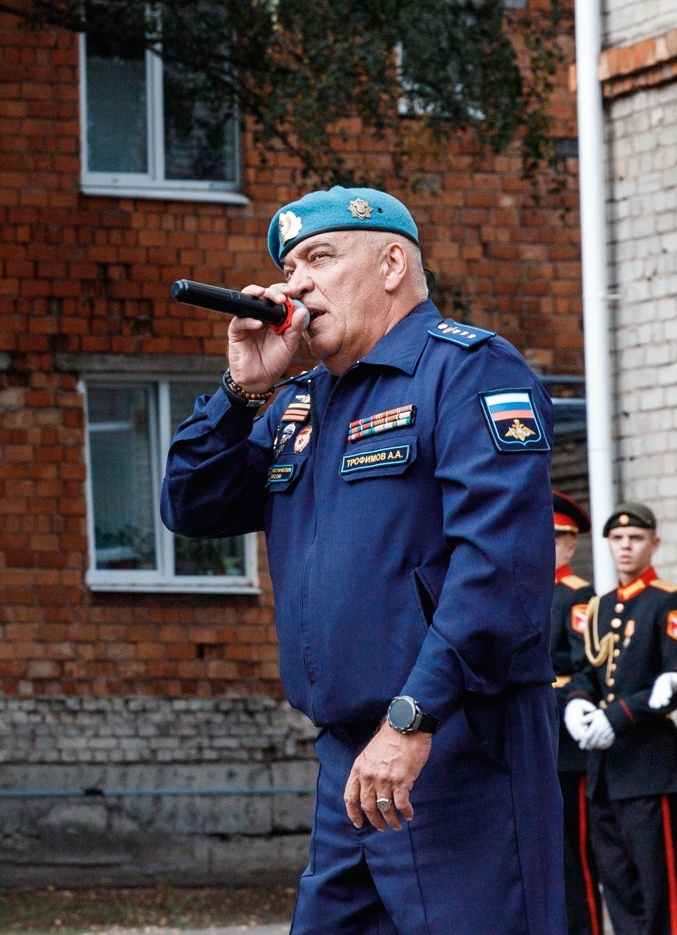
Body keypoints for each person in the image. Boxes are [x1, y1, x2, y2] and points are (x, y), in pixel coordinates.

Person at [161, 186, 560, 935]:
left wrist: (412, 718)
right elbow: (191, 507)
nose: (296, 282)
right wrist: (242, 388)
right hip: (351, 757)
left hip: (453, 743)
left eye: (319, 257)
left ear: (390, 263)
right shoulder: (300, 402)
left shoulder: (468, 371)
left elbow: (499, 573)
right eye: (287, 265)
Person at [563, 502, 677, 935]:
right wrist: (577, 700)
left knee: (659, 890)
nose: (625, 546)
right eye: (617, 539)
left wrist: (621, 714)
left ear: (653, 544)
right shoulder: (600, 607)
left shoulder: (668, 600)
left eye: (636, 538)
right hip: (605, 768)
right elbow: (589, 669)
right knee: (618, 887)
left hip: (650, 765)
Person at [549, 492, 601, 935]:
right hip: (526, 739)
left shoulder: (578, 597)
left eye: (555, 539)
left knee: (573, 857)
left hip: (564, 741)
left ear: (570, 545)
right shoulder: (513, 591)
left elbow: (587, 667)